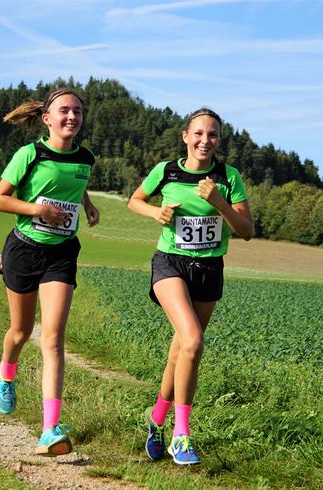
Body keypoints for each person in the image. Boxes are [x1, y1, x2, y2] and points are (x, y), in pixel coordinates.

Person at [128, 107, 253, 466]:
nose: (205, 140)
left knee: (181, 351)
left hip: (209, 268)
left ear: (219, 140)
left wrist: (219, 202)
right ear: (185, 136)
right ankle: (181, 435)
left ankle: (155, 422)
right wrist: (156, 213)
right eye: (198, 133)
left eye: (212, 135)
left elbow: (246, 231)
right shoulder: (166, 171)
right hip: (170, 263)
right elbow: (135, 200)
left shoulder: (229, 177)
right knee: (194, 340)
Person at [0, 88, 100, 457]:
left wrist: (87, 204)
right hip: (24, 249)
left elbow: (73, 184)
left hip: (62, 253)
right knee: (20, 331)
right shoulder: (30, 154)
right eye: (64, 111)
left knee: (53, 339)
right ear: (46, 118)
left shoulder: (86, 157)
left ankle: (49, 429)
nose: (72, 117)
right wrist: (38, 211)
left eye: (78, 112)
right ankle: (7, 373)